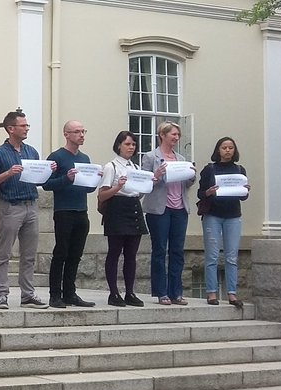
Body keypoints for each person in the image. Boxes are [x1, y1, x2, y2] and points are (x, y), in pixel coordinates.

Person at [0, 111, 54, 309]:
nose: (26, 129)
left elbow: (39, 179)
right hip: (10, 206)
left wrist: (48, 169)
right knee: (5, 253)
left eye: (27, 126)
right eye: (23, 126)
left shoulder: (31, 151)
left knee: (29, 254)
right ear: (11, 129)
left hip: (31, 205)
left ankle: (27, 294)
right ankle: (1, 294)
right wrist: (8, 173)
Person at [43, 120, 100, 308]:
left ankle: (70, 293)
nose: (81, 135)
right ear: (66, 134)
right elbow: (46, 184)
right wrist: (66, 179)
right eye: (77, 132)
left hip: (81, 211)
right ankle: (55, 295)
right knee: (61, 253)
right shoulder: (57, 157)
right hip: (64, 210)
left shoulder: (85, 158)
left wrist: (94, 181)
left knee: (76, 254)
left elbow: (88, 189)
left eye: (83, 131)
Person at [140, 122, 196, 305]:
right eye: (173, 134)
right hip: (159, 209)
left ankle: (176, 292)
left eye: (178, 135)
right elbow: (144, 184)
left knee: (177, 251)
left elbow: (185, 185)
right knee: (159, 250)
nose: (176, 138)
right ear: (162, 135)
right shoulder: (150, 157)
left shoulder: (180, 158)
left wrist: (191, 176)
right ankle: (161, 292)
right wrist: (155, 175)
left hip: (179, 208)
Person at [97, 131, 149, 308]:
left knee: (131, 255)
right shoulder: (111, 166)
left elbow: (137, 192)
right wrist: (118, 186)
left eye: (133, 144)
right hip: (117, 208)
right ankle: (113, 292)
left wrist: (148, 184)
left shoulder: (135, 167)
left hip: (133, 207)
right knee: (114, 252)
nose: (131, 147)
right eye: (127, 144)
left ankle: (130, 292)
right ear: (119, 145)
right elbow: (102, 195)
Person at [197, 137, 248, 308]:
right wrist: (209, 192)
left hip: (233, 215)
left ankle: (232, 294)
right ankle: (211, 293)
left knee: (231, 257)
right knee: (212, 255)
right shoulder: (210, 169)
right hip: (213, 215)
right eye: (224, 147)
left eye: (230, 147)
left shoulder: (239, 169)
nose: (227, 150)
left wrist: (246, 190)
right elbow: (200, 193)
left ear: (234, 150)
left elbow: (243, 196)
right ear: (218, 150)